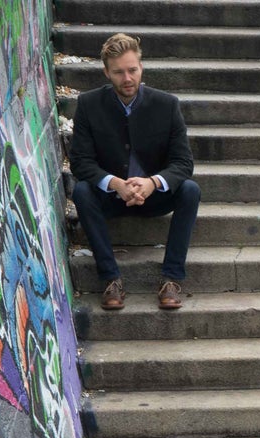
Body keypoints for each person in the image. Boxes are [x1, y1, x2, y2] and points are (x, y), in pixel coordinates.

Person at [68, 32, 200, 312]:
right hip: (111, 197)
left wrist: (153, 183)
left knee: (190, 189)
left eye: (132, 70)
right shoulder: (89, 105)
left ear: (141, 67)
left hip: (153, 196)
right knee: (81, 191)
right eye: (118, 72)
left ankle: (172, 279)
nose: (127, 78)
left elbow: (183, 162)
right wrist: (115, 183)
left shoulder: (167, 105)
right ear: (106, 72)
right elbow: (80, 162)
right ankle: (110, 279)